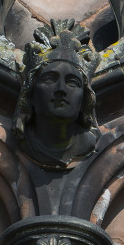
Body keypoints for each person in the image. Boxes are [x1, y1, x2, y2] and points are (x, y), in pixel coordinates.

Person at [13, 22, 100, 169]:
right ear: (30, 95)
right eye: (49, 79)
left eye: (72, 82)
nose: (61, 89)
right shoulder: (25, 141)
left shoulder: (87, 143)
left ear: (84, 101)